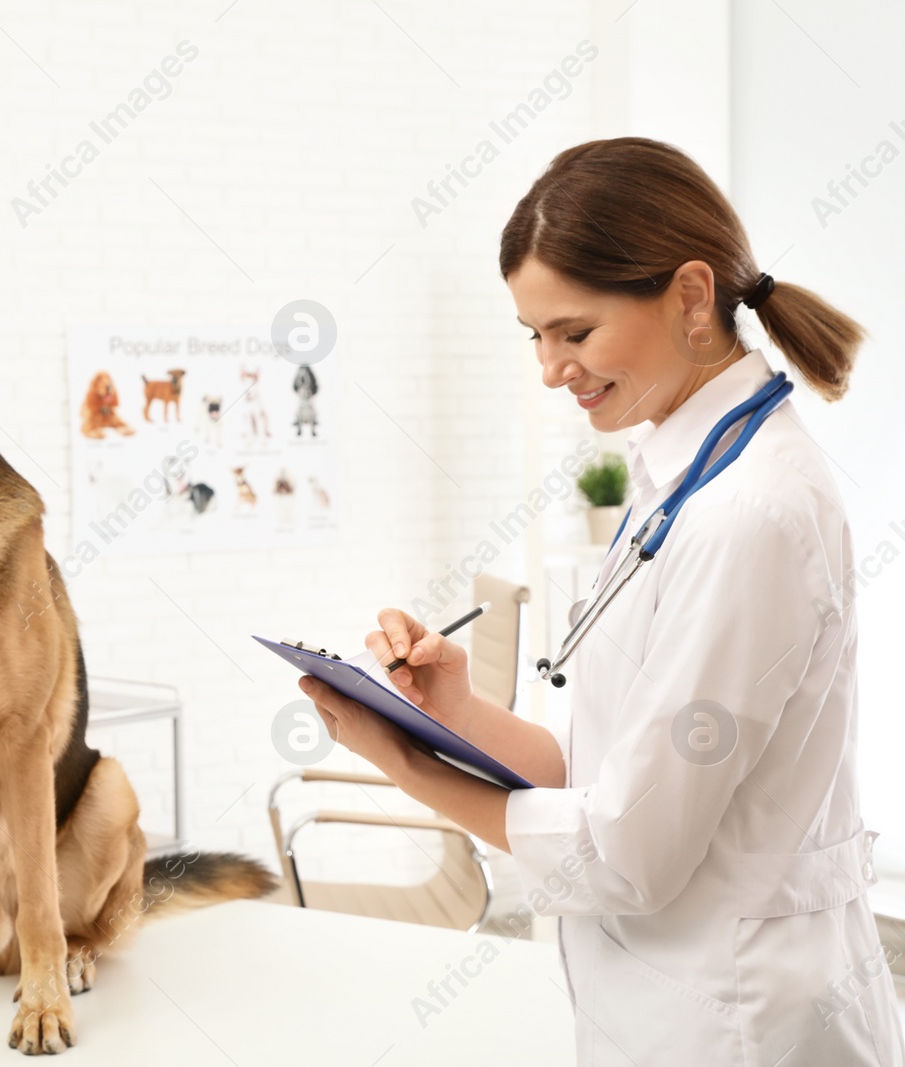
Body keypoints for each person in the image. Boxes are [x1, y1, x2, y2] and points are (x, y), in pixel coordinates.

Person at [299, 137, 905, 1066]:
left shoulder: (752, 513)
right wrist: (451, 710)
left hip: (737, 1020)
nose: (550, 368)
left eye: (574, 333)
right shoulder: (681, 477)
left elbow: (627, 851)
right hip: (664, 1005)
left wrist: (405, 763)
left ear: (692, 298)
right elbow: (596, 782)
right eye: (534, 336)